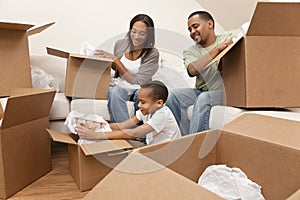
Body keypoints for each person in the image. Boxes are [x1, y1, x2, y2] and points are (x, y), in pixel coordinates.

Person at [166, 11, 235, 136]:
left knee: (204, 98)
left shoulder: (228, 38)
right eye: (189, 29)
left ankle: (193, 148)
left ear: (210, 24)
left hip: (226, 92)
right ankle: (185, 139)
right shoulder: (190, 51)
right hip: (202, 90)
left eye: (195, 26)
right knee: (173, 96)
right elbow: (193, 70)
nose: (192, 32)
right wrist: (217, 49)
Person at [94, 14, 159, 123]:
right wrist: (104, 61)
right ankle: (125, 132)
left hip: (140, 88)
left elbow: (138, 81)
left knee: (142, 95)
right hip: (121, 86)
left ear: (149, 35)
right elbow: (118, 69)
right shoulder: (120, 44)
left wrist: (116, 60)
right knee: (114, 92)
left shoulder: (153, 53)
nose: (136, 36)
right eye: (133, 31)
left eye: (142, 33)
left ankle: (140, 133)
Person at [75, 81, 181, 146]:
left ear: (159, 103)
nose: (139, 105)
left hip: (167, 153)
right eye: (139, 101)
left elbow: (134, 133)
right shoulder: (146, 111)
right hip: (153, 148)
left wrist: (96, 135)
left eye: (143, 102)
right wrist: (97, 126)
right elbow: (122, 125)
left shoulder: (162, 114)